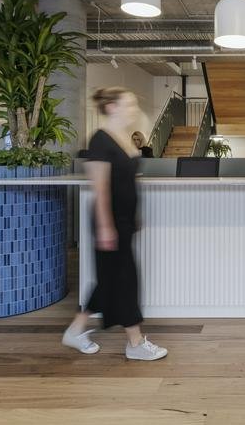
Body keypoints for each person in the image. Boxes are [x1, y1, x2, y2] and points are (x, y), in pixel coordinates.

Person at [62, 87, 167, 361]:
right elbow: (101, 188)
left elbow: (126, 183)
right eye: (128, 105)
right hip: (108, 222)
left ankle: (75, 330)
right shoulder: (100, 141)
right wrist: (107, 226)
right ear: (111, 108)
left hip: (123, 221)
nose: (134, 110)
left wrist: (133, 217)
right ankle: (135, 343)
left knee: (108, 281)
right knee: (125, 280)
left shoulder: (122, 139)